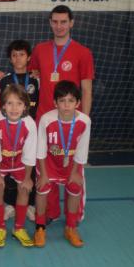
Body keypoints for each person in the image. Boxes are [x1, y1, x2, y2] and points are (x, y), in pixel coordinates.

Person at [29, 5, 94, 222]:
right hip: (44, 119)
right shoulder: (39, 50)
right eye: (55, 21)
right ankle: (52, 212)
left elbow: (86, 90)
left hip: (70, 120)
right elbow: (30, 74)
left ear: (71, 23)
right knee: (46, 166)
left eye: (63, 22)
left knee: (72, 168)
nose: (59, 26)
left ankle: (75, 215)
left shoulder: (83, 53)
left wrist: (82, 122)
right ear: (50, 22)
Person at [33, 80, 91, 248]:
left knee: (74, 187)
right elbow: (41, 150)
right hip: (49, 163)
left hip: (71, 165)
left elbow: (81, 151)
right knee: (42, 189)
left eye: (71, 101)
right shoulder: (46, 119)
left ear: (78, 103)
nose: (66, 105)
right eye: (62, 101)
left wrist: (75, 173)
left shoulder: (85, 121)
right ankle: (40, 227)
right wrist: (43, 174)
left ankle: (71, 227)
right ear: (55, 103)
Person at [0, 85, 37, 248]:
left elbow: (30, 153)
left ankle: (19, 228)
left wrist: (27, 178)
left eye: (19, 103)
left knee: (24, 189)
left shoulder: (29, 123)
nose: (14, 108)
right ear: (3, 105)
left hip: (19, 162)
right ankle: (0, 228)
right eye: (9, 103)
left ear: (25, 106)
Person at [0, 40, 39, 222]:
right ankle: (9, 205)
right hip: (10, 129)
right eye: (14, 55)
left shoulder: (35, 79)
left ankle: (30, 204)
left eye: (22, 54)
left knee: (29, 167)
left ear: (28, 57)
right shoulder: (4, 81)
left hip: (30, 130)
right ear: (10, 58)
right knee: (10, 165)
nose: (18, 58)